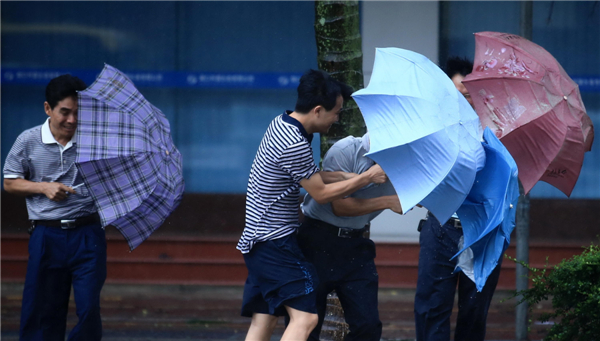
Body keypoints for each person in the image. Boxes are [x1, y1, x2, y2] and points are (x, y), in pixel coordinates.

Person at [236, 69, 388, 341]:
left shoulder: (283, 124)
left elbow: (307, 175)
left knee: (265, 318)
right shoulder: (294, 142)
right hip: (274, 242)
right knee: (306, 319)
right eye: (336, 112)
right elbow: (321, 194)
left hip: (257, 238)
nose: (337, 118)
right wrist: (366, 177)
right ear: (318, 110)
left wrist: (344, 175)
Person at [3, 75, 106, 341]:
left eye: (78, 113)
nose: (72, 120)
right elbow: (10, 183)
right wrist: (43, 187)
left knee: (89, 310)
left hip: (87, 234)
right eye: (65, 112)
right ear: (48, 108)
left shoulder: (95, 141)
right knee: (42, 311)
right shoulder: (28, 141)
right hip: (46, 236)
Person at [413, 57, 503, 341]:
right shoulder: (433, 131)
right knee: (431, 310)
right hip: (441, 227)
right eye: (458, 94)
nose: (465, 100)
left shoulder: (495, 131)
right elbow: (417, 184)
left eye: (469, 94)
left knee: (474, 313)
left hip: (484, 232)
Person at [296, 133, 402, 341]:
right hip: (318, 239)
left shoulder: (406, 162)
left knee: (368, 326)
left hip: (356, 244)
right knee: (307, 323)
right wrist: (388, 201)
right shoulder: (346, 150)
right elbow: (340, 206)